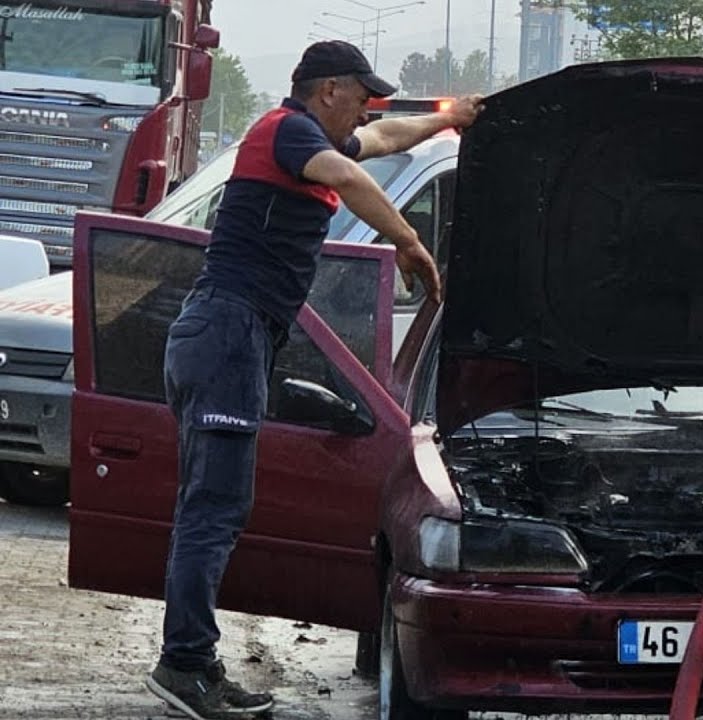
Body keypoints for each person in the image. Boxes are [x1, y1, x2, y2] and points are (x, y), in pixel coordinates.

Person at [145, 40, 483, 720]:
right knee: (213, 510)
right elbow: (356, 180)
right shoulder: (285, 130)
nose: (367, 108)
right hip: (226, 331)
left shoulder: (310, 139)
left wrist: (452, 120)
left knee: (215, 508)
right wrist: (410, 243)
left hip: (236, 334)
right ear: (327, 90)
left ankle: (195, 661)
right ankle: (183, 666)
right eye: (360, 94)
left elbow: (384, 137)